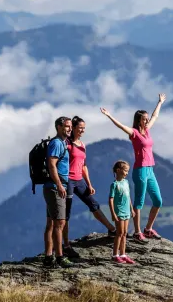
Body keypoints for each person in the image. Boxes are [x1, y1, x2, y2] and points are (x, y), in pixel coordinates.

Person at [99, 93, 166, 242]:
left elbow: (155, 116)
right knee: (139, 202)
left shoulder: (147, 130)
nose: (147, 120)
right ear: (138, 120)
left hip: (150, 170)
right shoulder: (134, 133)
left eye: (146, 118)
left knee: (158, 201)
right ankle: (137, 232)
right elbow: (121, 126)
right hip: (140, 171)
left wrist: (160, 102)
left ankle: (148, 229)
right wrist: (109, 116)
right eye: (144, 118)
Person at [62, 116, 116, 258]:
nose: (82, 131)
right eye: (80, 128)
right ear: (73, 128)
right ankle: (66, 245)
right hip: (67, 181)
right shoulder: (66, 144)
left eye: (84, 129)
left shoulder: (82, 145)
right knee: (65, 214)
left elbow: (84, 166)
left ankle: (111, 229)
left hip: (79, 180)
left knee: (93, 204)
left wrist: (89, 184)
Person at [43, 116, 74, 268]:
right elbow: (51, 165)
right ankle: (60, 257)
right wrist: (60, 185)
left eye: (70, 126)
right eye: (67, 126)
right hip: (55, 187)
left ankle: (48, 257)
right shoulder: (57, 143)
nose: (70, 129)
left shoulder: (62, 143)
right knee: (59, 223)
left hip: (52, 187)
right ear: (59, 127)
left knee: (51, 223)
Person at [109, 160, 135, 264]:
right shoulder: (114, 184)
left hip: (126, 212)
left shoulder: (126, 182)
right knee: (119, 233)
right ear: (118, 170)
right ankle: (115, 255)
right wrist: (113, 213)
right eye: (125, 170)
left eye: (128, 171)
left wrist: (131, 209)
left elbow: (128, 197)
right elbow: (110, 199)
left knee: (124, 233)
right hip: (119, 212)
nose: (127, 173)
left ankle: (123, 254)